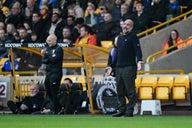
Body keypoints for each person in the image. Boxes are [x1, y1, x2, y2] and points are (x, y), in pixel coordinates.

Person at [105, 19, 143, 117]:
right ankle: (122, 109)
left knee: (130, 90)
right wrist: (111, 66)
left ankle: (130, 110)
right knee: (119, 89)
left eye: (128, 24)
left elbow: (138, 50)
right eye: (124, 24)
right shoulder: (120, 38)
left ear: (131, 26)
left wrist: (139, 60)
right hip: (118, 68)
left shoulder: (133, 37)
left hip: (129, 67)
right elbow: (117, 54)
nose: (125, 26)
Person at [41, 34, 63, 114]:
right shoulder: (48, 49)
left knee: (54, 90)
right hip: (49, 73)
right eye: (47, 41)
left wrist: (46, 54)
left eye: (49, 40)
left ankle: (56, 109)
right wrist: (48, 56)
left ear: (54, 40)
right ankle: (58, 107)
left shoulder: (59, 49)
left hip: (56, 73)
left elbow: (54, 59)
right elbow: (44, 60)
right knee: (48, 89)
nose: (48, 42)